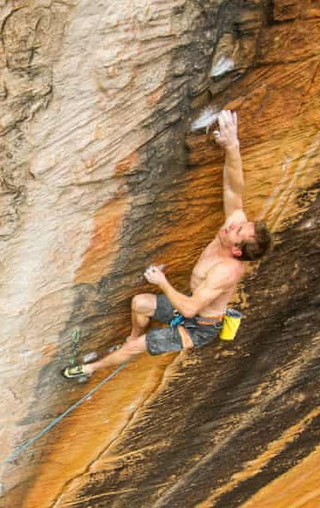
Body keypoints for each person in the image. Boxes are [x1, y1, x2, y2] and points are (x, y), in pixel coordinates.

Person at [64, 110, 271, 380]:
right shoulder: (232, 228)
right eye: (240, 224)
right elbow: (234, 188)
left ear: (236, 251)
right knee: (140, 303)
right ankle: (130, 338)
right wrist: (232, 146)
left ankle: (88, 370)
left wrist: (161, 281)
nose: (233, 224)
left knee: (140, 347)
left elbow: (189, 310)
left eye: (238, 231)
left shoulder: (226, 271)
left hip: (199, 326)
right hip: (191, 304)